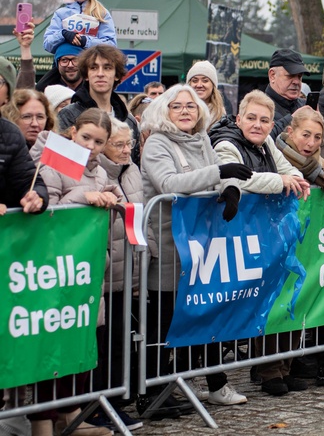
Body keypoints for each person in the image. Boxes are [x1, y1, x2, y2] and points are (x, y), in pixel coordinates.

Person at [139, 85, 253, 414]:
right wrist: (220, 173)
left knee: (200, 314)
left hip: (201, 247)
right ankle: (154, 391)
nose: (186, 110)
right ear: (165, 111)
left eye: (191, 105)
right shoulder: (158, 143)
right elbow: (169, 184)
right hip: (167, 244)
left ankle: (192, 382)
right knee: (164, 322)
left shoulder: (202, 137)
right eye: (177, 106)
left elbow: (220, 171)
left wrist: (231, 189)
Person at [210, 91, 311, 397]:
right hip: (231, 239)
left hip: (265, 237)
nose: (257, 125)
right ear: (239, 118)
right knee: (227, 311)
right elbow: (240, 180)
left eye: (264, 120)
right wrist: (280, 183)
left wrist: (291, 178)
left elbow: (289, 169)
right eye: (251, 118)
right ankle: (220, 381)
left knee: (276, 301)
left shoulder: (266, 143)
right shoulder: (226, 143)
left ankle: (278, 367)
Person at [29, 108, 120, 436]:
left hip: (87, 271)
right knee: (51, 349)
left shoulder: (98, 172)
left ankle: (72, 414)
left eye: (99, 141)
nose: (92, 146)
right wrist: (84, 196)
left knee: (81, 346)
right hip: (54, 271)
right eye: (86, 138)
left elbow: (114, 198)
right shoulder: (53, 164)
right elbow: (46, 212)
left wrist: (112, 197)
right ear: (71, 134)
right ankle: (42, 420)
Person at [92, 117, 146, 430]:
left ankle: (114, 403)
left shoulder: (133, 170)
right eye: (119, 145)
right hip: (105, 274)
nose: (126, 150)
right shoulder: (99, 174)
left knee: (120, 344)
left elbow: (142, 222)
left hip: (129, 273)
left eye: (129, 144)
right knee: (102, 346)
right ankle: (97, 406)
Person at [57, 45, 140, 164]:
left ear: (116, 75)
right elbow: (60, 163)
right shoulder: (69, 115)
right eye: (94, 68)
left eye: (107, 68)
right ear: (86, 75)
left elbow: (133, 165)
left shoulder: (129, 121)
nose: (100, 74)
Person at [43, 0, 117, 54]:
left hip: (91, 64)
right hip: (66, 64)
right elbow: (47, 44)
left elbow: (111, 46)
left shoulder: (101, 13)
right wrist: (63, 34)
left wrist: (86, 41)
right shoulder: (60, 14)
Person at [275, 106, 324, 196]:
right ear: (290, 132)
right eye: (306, 135)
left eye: (317, 137)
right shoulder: (274, 157)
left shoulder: (323, 166)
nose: (311, 143)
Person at [266, 49, 308, 135]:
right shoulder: (258, 107)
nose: (296, 82)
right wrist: (292, 119)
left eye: (299, 76)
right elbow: (263, 140)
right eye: (290, 76)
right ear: (272, 75)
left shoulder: (306, 106)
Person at [186, 60, 227, 129]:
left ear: (213, 85)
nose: (199, 85)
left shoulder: (221, 117)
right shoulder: (178, 112)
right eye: (195, 81)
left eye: (205, 81)